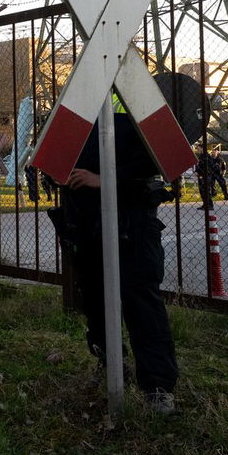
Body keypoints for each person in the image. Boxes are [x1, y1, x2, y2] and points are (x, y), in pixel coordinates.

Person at [48, 100, 179, 416]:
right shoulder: (79, 93)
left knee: (141, 304)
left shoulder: (137, 91)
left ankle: (158, 389)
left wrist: (105, 177)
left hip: (131, 220)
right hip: (83, 220)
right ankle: (110, 365)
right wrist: (56, 172)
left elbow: (164, 156)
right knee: (95, 301)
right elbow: (52, 157)